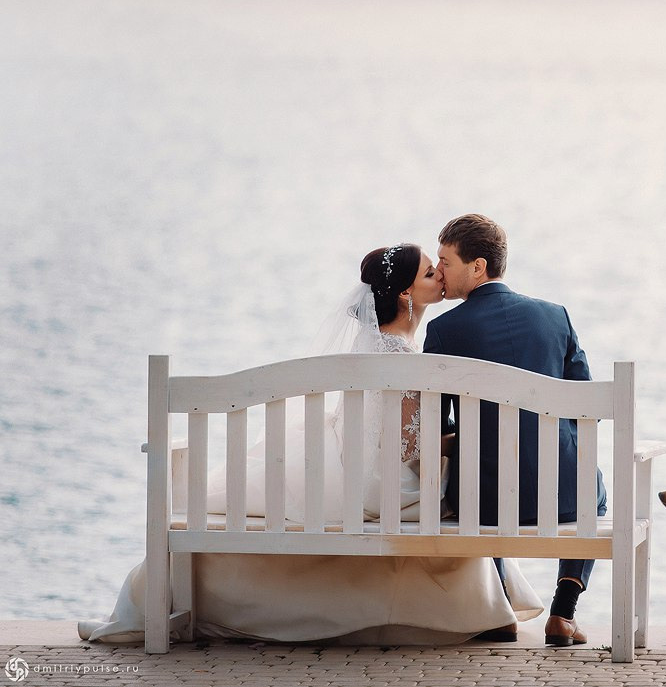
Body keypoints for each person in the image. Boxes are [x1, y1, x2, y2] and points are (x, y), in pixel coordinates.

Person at [79, 243, 542, 646]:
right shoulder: (403, 356)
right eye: (428, 272)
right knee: (468, 486)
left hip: (356, 465)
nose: (439, 274)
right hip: (386, 487)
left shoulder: (374, 345)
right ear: (405, 294)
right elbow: (406, 453)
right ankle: (493, 606)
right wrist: (459, 441)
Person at [425, 214, 607, 647]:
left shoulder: (444, 330)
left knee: (483, 464)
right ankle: (563, 614)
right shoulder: (554, 316)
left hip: (482, 501)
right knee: (593, 491)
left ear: (478, 267)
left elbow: (434, 421)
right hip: (566, 497)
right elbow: (586, 406)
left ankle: (501, 610)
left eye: (446, 261)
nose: (440, 271)